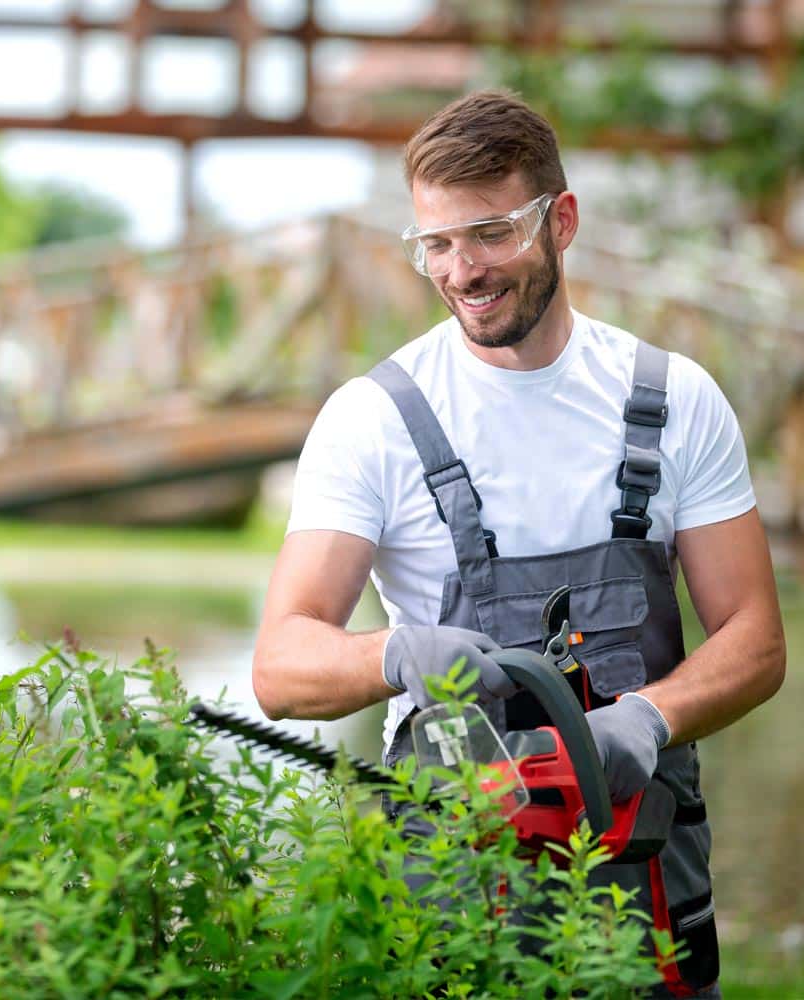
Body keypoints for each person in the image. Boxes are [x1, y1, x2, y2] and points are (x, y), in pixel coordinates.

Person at [252, 89, 785, 997]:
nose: (463, 269)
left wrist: (649, 719)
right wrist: (397, 652)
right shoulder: (373, 420)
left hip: (645, 878)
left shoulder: (675, 398)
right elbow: (279, 666)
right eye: (438, 244)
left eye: (491, 232)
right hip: (453, 880)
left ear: (561, 221)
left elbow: (758, 643)